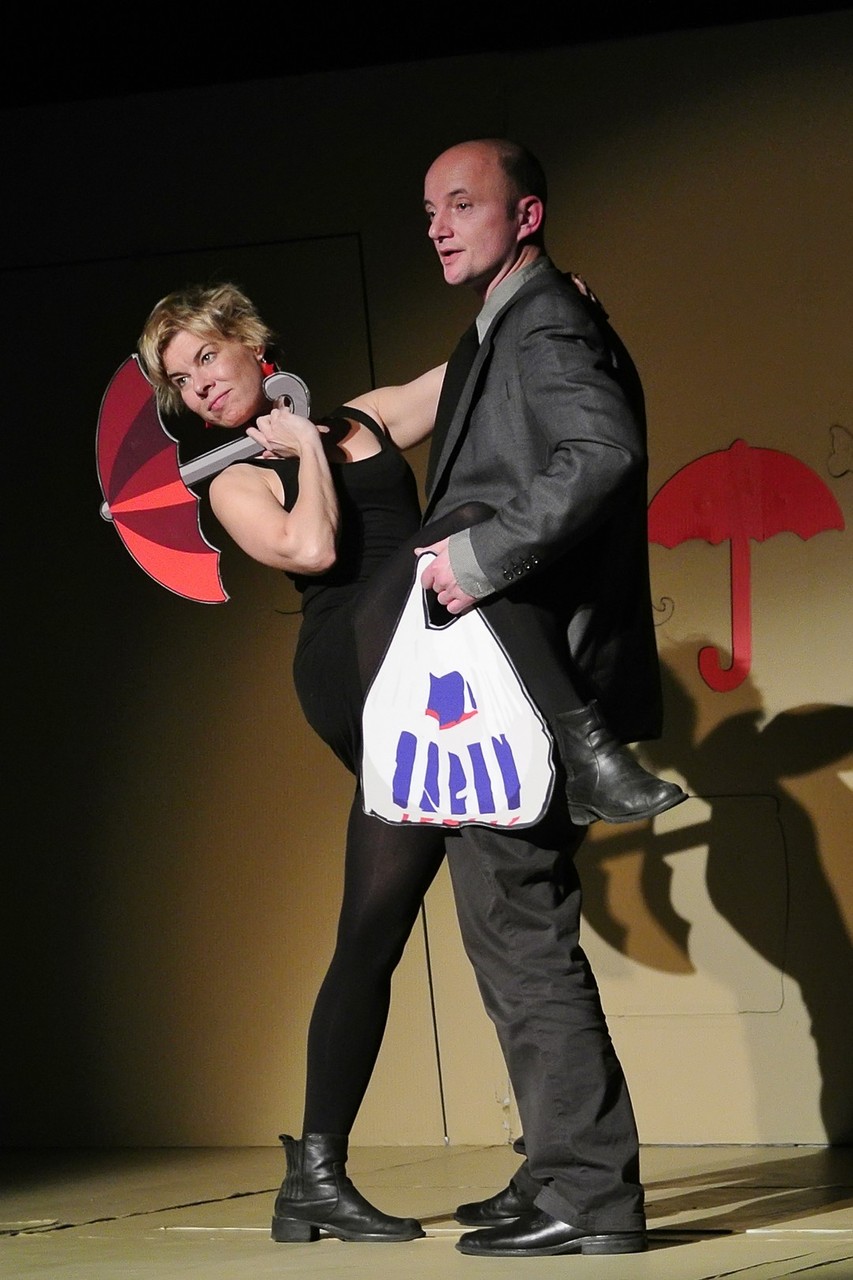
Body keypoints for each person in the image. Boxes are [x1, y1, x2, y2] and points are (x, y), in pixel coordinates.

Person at [136, 274, 680, 1252]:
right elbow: (309, 548)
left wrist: (543, 303)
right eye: (180, 380)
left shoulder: (363, 416)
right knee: (460, 539)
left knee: (376, 926)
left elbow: (466, 372)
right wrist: (302, 453)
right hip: (356, 667)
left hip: (432, 669)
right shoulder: (231, 474)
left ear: (251, 342)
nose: (200, 385)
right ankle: (586, 745)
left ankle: (320, 1176)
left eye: (206, 357)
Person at [410, 137, 673, 1258]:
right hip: (514, 681)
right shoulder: (513, 320)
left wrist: (476, 558)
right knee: (509, 930)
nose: (437, 224)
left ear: (525, 216)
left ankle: (590, 1194)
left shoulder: (545, 319)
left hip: (531, 681)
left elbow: (601, 453)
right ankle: (556, 1166)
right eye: (428, 208)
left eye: (461, 203)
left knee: (521, 935)